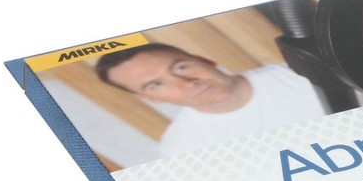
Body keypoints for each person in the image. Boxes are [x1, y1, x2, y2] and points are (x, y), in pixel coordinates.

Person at [95, 43, 328, 157]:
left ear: (204, 60)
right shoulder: (181, 150)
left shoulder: (306, 73)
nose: (187, 83)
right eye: (156, 84)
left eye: (181, 67)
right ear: (150, 97)